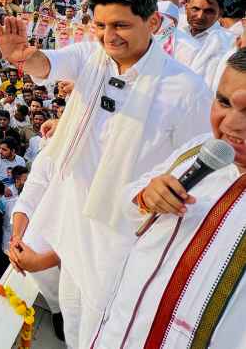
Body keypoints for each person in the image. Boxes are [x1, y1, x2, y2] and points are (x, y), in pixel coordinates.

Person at [0, 0, 212, 347]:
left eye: (120, 25)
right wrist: (24, 57)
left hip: (127, 248)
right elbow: (49, 63)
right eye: (100, 25)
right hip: (75, 238)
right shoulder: (91, 60)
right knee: (76, 327)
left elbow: (201, 178)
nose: (108, 36)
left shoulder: (187, 91)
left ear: (153, 24)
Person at [87, 48, 246, 348]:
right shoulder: (199, 149)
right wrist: (147, 197)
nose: (231, 124)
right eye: (223, 102)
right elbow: (129, 203)